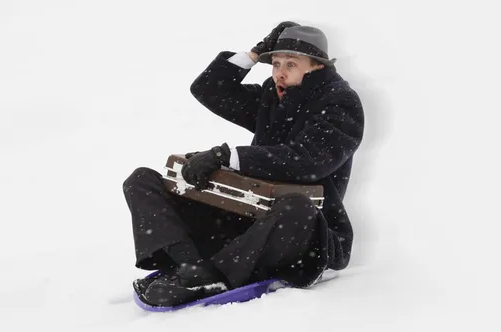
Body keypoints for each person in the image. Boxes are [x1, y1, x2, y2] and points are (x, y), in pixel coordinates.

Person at [122, 21, 364, 307]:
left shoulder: (340, 103)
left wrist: (228, 157)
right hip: (249, 221)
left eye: (291, 64)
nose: (280, 73)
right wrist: (253, 53)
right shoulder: (272, 97)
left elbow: (307, 161)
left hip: (305, 234)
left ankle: (216, 274)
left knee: (298, 206)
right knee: (142, 180)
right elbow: (209, 89)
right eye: (275, 64)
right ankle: (190, 265)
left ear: (317, 67)